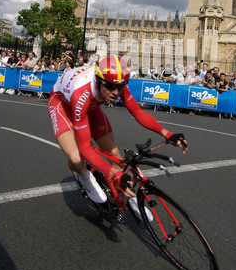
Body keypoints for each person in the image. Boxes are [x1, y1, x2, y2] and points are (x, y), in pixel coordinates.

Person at [48, 55, 187, 219]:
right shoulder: (82, 92)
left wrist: (167, 133)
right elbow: (85, 147)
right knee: (77, 158)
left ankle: (130, 197)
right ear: (98, 80)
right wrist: (113, 174)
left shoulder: (116, 83)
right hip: (63, 104)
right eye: (110, 87)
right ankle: (84, 177)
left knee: (113, 152)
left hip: (91, 106)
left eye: (120, 87)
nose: (115, 93)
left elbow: (137, 111)